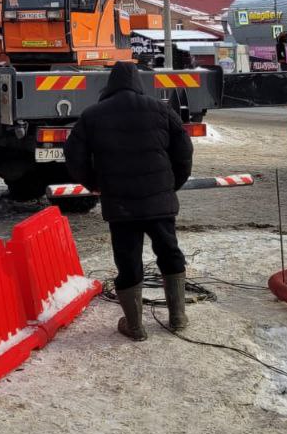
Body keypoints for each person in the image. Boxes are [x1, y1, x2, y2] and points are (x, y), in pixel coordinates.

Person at [63, 61, 193, 342]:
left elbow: (73, 155)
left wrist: (94, 183)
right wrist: (171, 186)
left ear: (110, 84)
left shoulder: (93, 115)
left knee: (128, 260)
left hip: (121, 205)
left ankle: (135, 326)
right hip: (159, 202)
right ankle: (178, 318)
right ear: (138, 83)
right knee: (169, 253)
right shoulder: (161, 110)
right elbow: (184, 151)